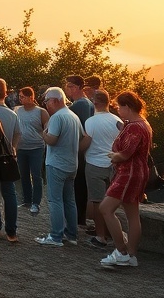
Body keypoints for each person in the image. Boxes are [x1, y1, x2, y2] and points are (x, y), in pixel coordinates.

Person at [100, 90, 154, 267]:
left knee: (106, 209)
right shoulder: (143, 123)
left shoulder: (134, 127)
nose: (117, 110)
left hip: (129, 173)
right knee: (132, 215)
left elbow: (125, 154)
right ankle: (131, 254)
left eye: (119, 107)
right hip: (138, 172)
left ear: (127, 107)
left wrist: (114, 156)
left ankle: (121, 251)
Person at [35, 86, 83, 247]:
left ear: (56, 100)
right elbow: (83, 137)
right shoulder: (73, 116)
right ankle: (72, 235)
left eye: (47, 101)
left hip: (56, 163)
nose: (46, 104)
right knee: (69, 200)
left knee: (55, 200)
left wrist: (43, 133)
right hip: (72, 164)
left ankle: (56, 236)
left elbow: (52, 140)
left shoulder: (57, 117)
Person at [81, 89, 122, 248]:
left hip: (94, 164)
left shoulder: (91, 121)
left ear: (95, 102)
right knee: (110, 201)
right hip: (113, 164)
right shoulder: (117, 120)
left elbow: (86, 143)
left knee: (97, 201)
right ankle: (109, 231)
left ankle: (100, 236)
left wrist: (76, 149)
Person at [0, 78, 21, 242]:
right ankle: (11, 231)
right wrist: (13, 147)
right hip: (7, 158)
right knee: (9, 194)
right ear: (5, 92)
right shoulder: (12, 114)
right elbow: (18, 133)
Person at [64, 75, 94, 229]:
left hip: (79, 151)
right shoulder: (86, 102)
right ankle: (79, 218)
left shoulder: (80, 104)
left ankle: (77, 219)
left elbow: (82, 130)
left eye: (68, 86)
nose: (66, 89)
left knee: (78, 187)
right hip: (84, 151)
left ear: (75, 87)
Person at [14, 87, 49, 215]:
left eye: (23, 96)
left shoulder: (41, 112)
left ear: (31, 97)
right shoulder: (17, 110)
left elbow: (47, 128)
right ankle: (27, 200)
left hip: (36, 147)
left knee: (36, 174)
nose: (20, 99)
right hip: (21, 147)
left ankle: (36, 202)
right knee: (23, 175)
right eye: (19, 96)